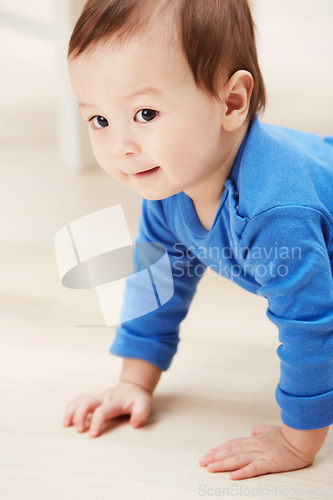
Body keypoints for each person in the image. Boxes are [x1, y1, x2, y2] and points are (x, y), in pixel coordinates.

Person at [63, 0, 333, 480]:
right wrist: (134, 382)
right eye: (99, 121)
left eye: (145, 113)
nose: (120, 146)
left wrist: (297, 442)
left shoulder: (276, 215)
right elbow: (158, 285)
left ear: (231, 103)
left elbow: (311, 326)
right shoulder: (171, 187)